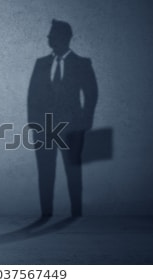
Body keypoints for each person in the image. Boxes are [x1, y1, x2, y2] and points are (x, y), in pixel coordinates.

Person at [27, 19, 98, 217]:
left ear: (65, 37)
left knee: (73, 171)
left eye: (53, 35)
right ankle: (46, 214)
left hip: (72, 127)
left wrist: (85, 123)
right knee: (46, 173)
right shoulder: (41, 64)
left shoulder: (82, 64)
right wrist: (34, 125)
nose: (49, 39)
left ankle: (76, 213)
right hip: (44, 128)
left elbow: (91, 94)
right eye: (49, 36)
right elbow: (32, 96)